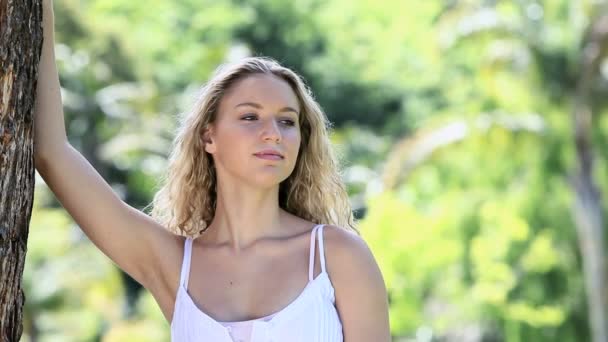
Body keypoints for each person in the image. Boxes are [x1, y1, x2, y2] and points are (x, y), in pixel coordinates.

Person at [34, 1, 391, 341]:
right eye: (250, 117)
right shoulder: (175, 264)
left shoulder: (337, 256)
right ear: (209, 136)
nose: (273, 133)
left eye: (287, 121)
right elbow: (52, 154)